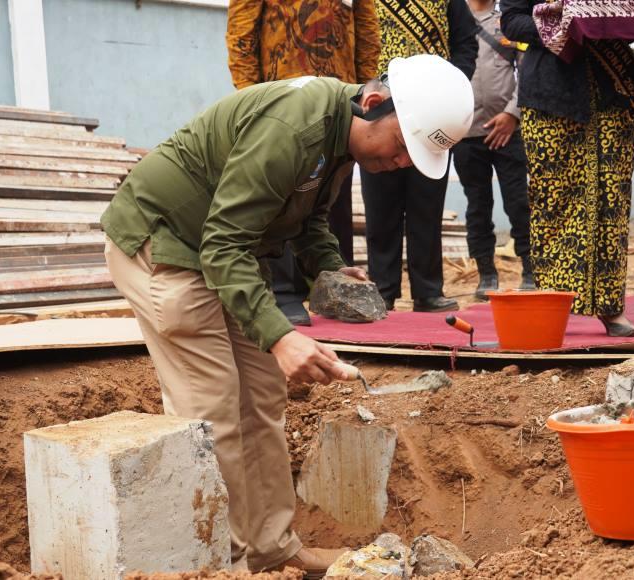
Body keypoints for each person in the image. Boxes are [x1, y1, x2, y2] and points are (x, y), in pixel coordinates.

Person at [101, 55, 474, 576]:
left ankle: (271, 546)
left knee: (262, 399)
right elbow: (223, 243)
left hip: (222, 254)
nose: (403, 163)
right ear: (374, 103)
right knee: (213, 413)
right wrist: (281, 338)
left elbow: (307, 217)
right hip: (164, 247)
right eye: (403, 147)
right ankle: (219, 564)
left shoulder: (343, 137)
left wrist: (331, 268)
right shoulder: (292, 128)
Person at [500, 0, 634, 337]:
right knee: (552, 203)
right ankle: (550, 303)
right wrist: (566, 27)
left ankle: (611, 307)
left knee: (611, 202)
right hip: (550, 97)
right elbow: (511, 22)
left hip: (613, 93)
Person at [226, 0, 381, 325]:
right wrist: (252, 96)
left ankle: (332, 290)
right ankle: (284, 293)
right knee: (279, 195)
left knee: (329, 200)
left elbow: (367, 28)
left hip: (342, 101)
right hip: (280, 96)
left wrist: (366, 89)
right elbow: (241, 28)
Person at [361, 0, 479, 312]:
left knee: (426, 206)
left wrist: (451, 86)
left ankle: (427, 291)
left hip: (432, 114)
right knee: (380, 209)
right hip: (381, 110)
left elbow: (466, 42)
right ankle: (382, 291)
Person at [452, 0, 534, 297]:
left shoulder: (509, 20)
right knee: (477, 206)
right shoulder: (453, 17)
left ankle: (530, 268)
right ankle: (486, 274)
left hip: (508, 128)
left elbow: (527, 68)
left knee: (519, 201)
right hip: (465, 130)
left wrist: (513, 114)